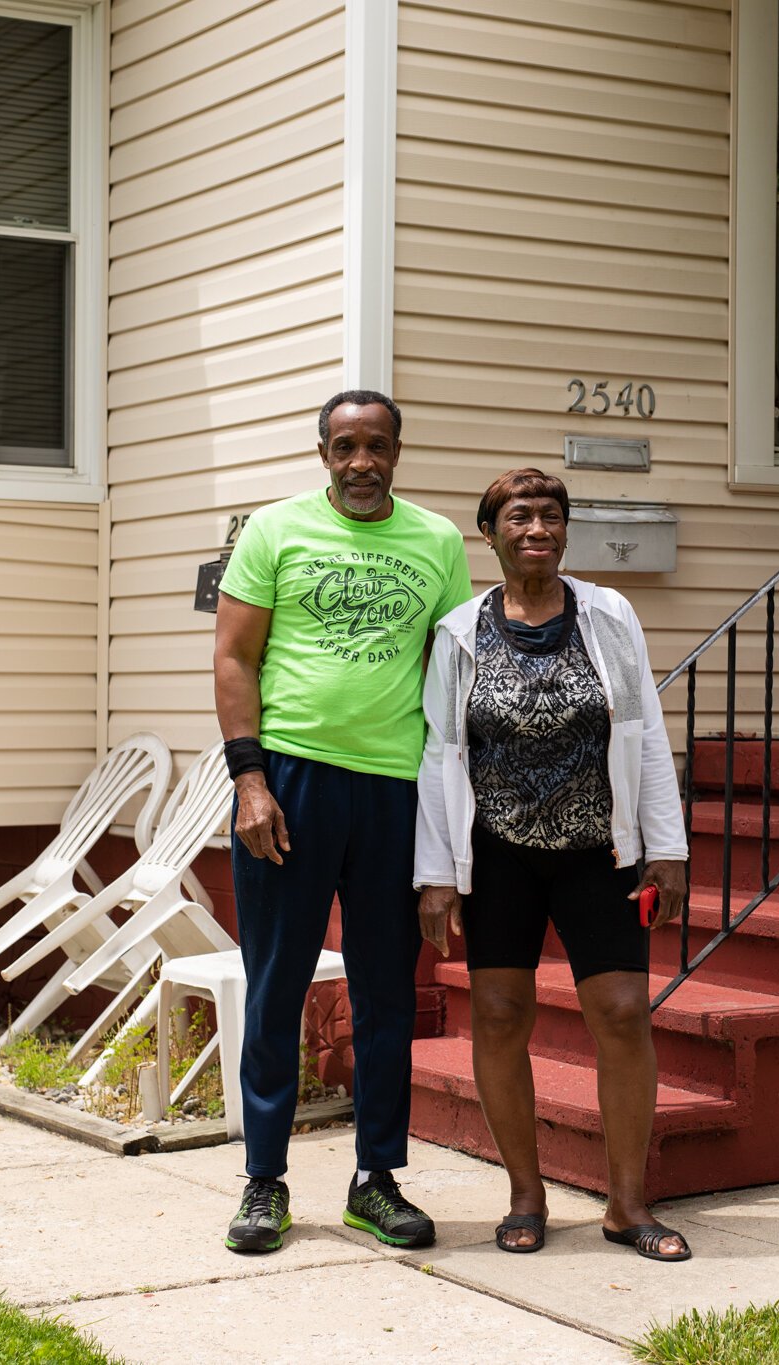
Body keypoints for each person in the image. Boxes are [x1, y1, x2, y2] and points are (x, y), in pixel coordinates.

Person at [213, 390, 471, 1255]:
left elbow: (447, 674)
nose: (361, 461)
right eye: (345, 446)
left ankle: (377, 1178)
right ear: (323, 452)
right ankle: (263, 1181)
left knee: (387, 990)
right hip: (289, 782)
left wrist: (445, 813)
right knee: (277, 983)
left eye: (377, 446)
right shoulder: (274, 531)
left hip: (393, 788)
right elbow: (234, 656)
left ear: (398, 451)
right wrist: (249, 779)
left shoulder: (436, 541)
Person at [414, 468, 695, 1262]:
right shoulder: (460, 631)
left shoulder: (608, 615)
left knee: (622, 1013)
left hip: (598, 852)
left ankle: (627, 1203)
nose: (535, 527)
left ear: (565, 531)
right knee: (501, 1017)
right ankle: (526, 1195)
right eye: (518, 515)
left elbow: (641, 728)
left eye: (550, 515)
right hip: (498, 854)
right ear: (491, 532)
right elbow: (441, 753)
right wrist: (437, 872)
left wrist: (666, 848)